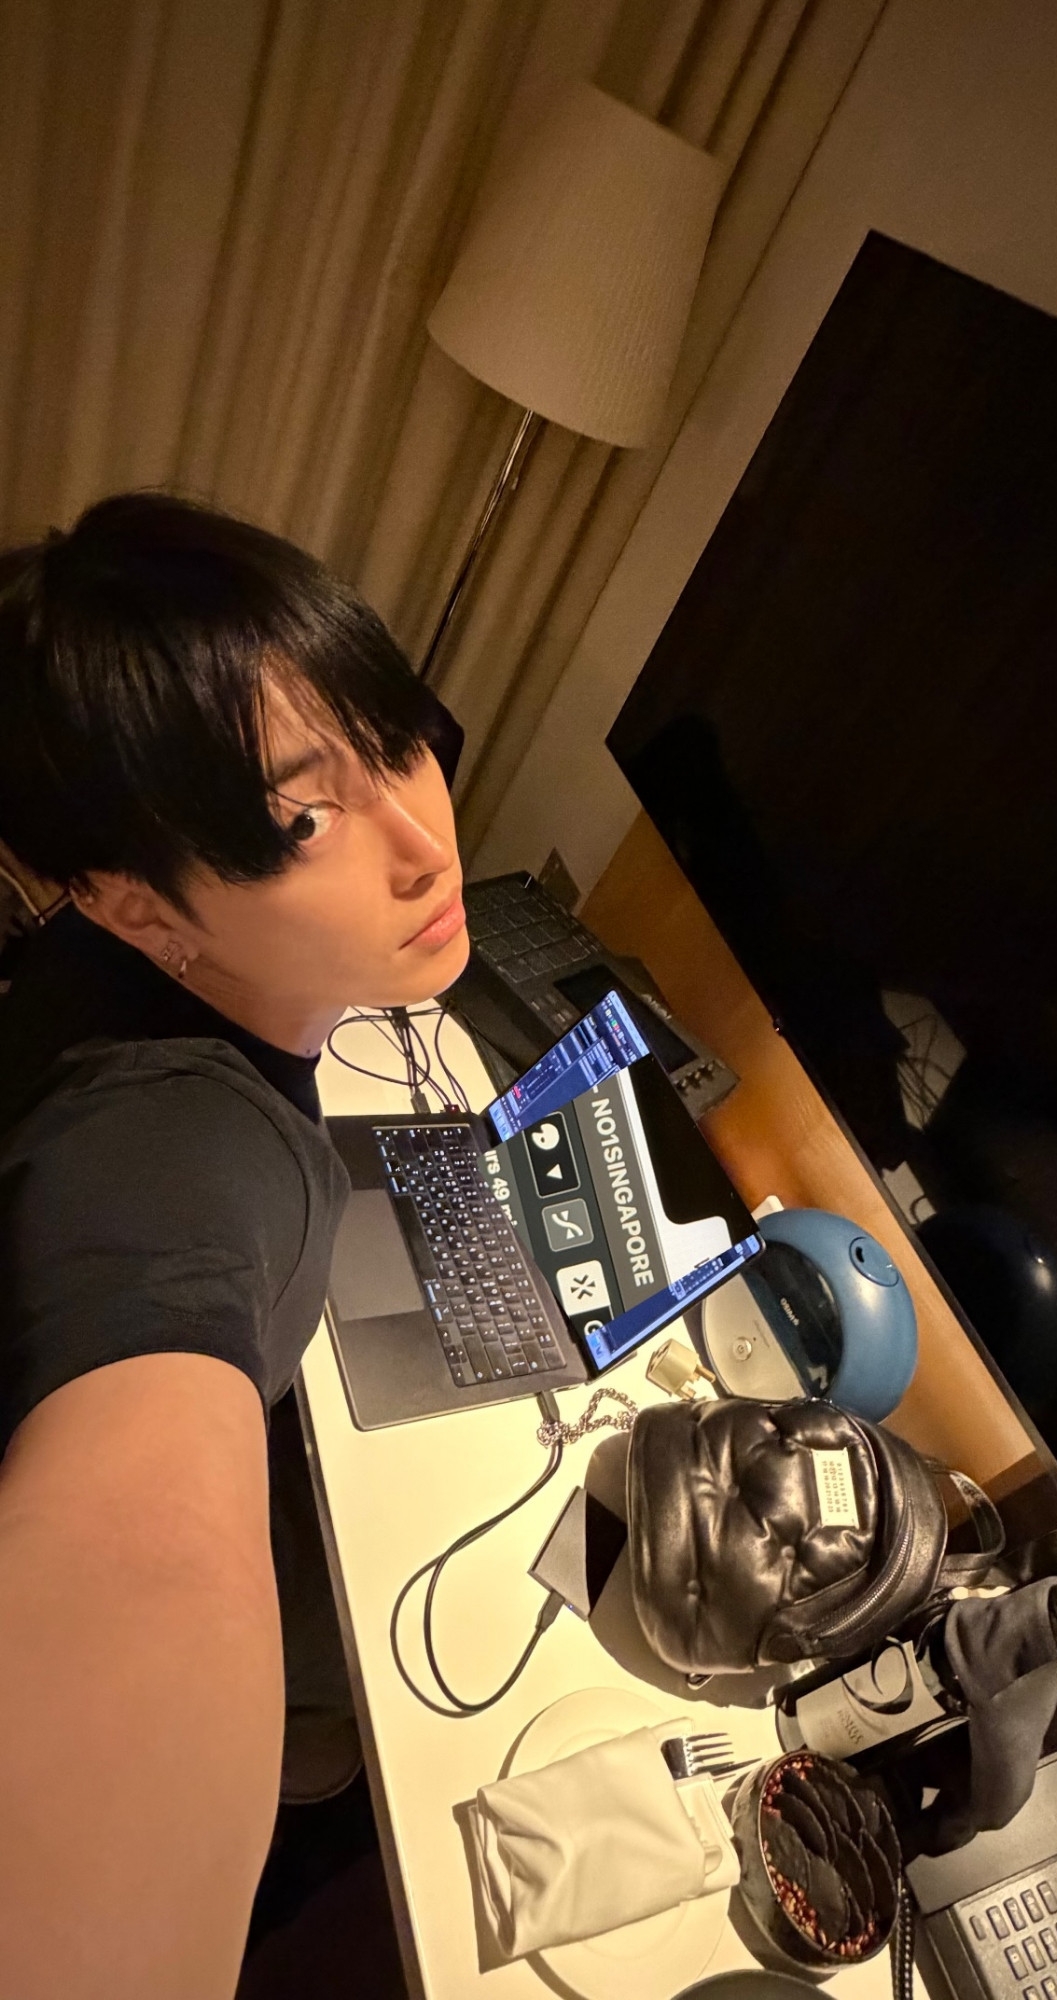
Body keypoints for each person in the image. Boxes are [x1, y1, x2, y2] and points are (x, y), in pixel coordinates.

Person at [0, 492, 470, 1999]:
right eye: (302, 821)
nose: (423, 843)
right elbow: (139, 1553)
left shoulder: (94, 962)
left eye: (398, 739)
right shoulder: (179, 1150)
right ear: (139, 905)